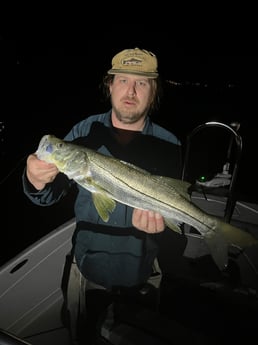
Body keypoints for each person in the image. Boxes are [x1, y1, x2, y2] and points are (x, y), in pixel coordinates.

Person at [23, 47, 183, 344]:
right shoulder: (85, 131)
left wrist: (164, 230)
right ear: (109, 85)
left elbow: (174, 218)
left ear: (154, 91)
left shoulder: (168, 143)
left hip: (142, 269)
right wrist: (35, 180)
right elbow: (48, 195)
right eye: (122, 80)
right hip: (87, 267)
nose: (130, 91)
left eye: (142, 83)